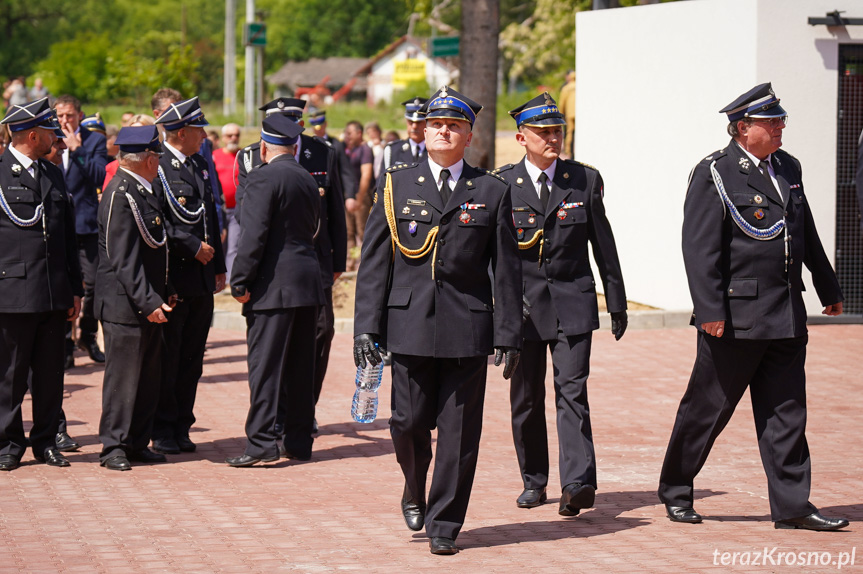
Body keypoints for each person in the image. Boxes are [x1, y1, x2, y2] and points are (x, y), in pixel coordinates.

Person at [658, 83, 848, 531]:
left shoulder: (788, 166)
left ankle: (793, 506)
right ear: (744, 129)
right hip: (736, 316)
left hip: (785, 312)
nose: (781, 127)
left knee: (786, 413)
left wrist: (828, 286)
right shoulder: (715, 172)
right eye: (771, 122)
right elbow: (699, 248)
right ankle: (677, 489)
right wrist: (709, 310)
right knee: (708, 409)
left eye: (780, 120)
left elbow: (805, 231)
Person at [353, 86, 522, 555]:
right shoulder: (397, 183)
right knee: (407, 422)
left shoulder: (491, 190)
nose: (443, 131)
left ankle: (444, 523)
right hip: (407, 324)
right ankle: (414, 485)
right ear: (424, 132)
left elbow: (505, 271)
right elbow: (374, 263)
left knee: (460, 433)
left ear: (469, 135)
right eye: (436, 124)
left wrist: (508, 334)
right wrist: (366, 326)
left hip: (467, 328)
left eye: (454, 126)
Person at [495, 92, 628, 514]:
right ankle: (534, 480)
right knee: (527, 400)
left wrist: (617, 301)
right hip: (524, 313)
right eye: (543, 132)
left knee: (572, 392)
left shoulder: (584, 180)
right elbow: (493, 259)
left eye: (557, 131)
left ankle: (577, 482)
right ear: (522, 137)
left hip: (573, 305)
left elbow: (604, 247)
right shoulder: (501, 184)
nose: (553, 138)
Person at [233, 98, 346, 437]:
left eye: (296, 119)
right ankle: (283, 417)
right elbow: (245, 214)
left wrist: (338, 259)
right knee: (275, 347)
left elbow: (334, 209)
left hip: (316, 260)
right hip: (272, 263)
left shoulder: (321, 152)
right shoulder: (251, 156)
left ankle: (301, 411)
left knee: (318, 335)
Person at [226, 114, 324, 466]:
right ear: (295, 147)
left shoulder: (261, 178)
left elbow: (253, 236)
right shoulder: (306, 178)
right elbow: (312, 228)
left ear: (264, 147)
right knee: (300, 368)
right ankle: (297, 441)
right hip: (306, 282)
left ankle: (261, 442)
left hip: (272, 286)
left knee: (265, 367)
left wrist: (240, 280)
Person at [0, 98, 82, 471]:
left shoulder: (52, 173)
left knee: (51, 375)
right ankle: (8, 443)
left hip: (53, 289)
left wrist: (75, 288)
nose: (56, 136)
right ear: (32, 134)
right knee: (11, 376)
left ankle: (46, 441)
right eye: (50, 130)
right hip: (14, 291)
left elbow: (66, 236)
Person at [96, 125, 174, 471]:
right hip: (125, 303)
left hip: (146, 300)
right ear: (150, 158)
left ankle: (137, 442)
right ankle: (114, 445)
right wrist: (149, 300)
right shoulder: (120, 192)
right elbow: (122, 257)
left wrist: (160, 293)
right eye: (158, 157)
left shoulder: (142, 189)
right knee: (123, 378)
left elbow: (156, 248)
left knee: (146, 377)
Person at [151, 96, 226, 455]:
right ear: (180, 132)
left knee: (193, 358)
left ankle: (183, 423)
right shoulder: (159, 165)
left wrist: (219, 266)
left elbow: (212, 218)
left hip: (201, 278)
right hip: (174, 277)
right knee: (170, 356)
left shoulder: (199, 164)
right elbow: (158, 221)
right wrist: (190, 245)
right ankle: (163, 427)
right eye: (198, 129)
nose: (203, 134)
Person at [54, 95, 109, 369]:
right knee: (62, 285)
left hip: (87, 224)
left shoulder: (94, 140)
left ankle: (88, 335)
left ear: (79, 115)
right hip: (57, 225)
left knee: (95, 285)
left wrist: (77, 150)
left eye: (69, 116)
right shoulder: (48, 137)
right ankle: (64, 344)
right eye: (60, 116)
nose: (64, 121)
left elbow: (100, 176)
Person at [309, 109, 357, 215]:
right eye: (315, 127)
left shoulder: (336, 145)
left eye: (320, 126)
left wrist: (350, 196)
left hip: (333, 193)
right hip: (313, 194)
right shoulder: (307, 144)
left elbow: (345, 171)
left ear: (325, 125)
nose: (318, 130)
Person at [213, 123, 241, 278]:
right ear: (223, 138)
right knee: (219, 244)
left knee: (234, 245)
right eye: (230, 135)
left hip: (237, 208)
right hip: (220, 209)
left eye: (236, 135)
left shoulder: (242, 155)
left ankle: (231, 278)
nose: (233, 138)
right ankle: (218, 275)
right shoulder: (215, 156)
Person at [104, 114, 156, 190]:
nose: (136, 138)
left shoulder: (162, 165)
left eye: (143, 133)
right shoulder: (114, 167)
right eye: (132, 132)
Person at [343, 121, 373, 249]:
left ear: (359, 133)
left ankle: (365, 263)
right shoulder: (349, 149)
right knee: (348, 231)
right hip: (348, 194)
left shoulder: (365, 149)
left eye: (350, 133)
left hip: (361, 194)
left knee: (362, 231)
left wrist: (360, 199)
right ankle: (350, 262)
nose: (347, 136)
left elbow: (366, 175)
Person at [382, 97, 427, 170]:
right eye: (410, 122)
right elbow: (384, 180)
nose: (414, 126)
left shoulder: (435, 152)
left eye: (419, 122)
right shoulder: (393, 150)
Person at [558, 71, 575, 159]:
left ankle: (569, 153)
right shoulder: (581, 86)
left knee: (569, 133)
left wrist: (560, 114)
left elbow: (562, 102)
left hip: (570, 113)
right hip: (580, 114)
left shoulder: (566, 88)